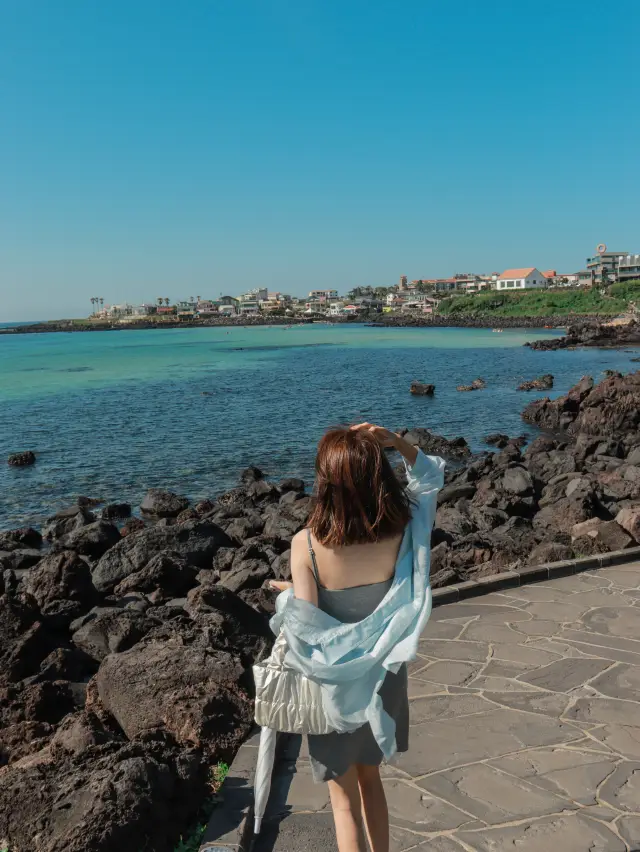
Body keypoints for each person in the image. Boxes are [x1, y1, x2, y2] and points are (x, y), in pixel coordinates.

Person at [270, 423, 444, 852]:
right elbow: (430, 477)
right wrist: (397, 442)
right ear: (379, 476)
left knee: (343, 799)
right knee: (373, 781)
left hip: (335, 690)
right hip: (385, 678)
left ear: (324, 483)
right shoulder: (405, 532)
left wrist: (287, 597)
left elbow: (307, 629)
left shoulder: (306, 545)